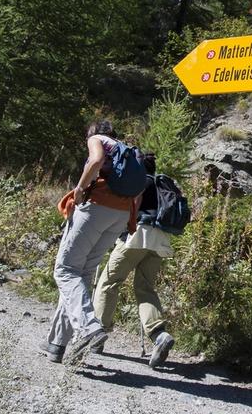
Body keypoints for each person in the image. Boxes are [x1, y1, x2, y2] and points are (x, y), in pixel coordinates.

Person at [39, 120, 142, 365]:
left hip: (95, 209)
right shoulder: (127, 152)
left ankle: (89, 329)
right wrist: (130, 221)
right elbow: (138, 194)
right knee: (82, 274)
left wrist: (79, 188)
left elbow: (95, 160)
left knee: (65, 270)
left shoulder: (99, 140)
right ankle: (57, 343)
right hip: (119, 215)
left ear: (93, 132)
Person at [92, 152, 175, 369]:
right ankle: (159, 334)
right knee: (145, 287)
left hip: (137, 235)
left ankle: (97, 332)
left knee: (109, 282)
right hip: (160, 240)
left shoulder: (140, 182)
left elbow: (134, 206)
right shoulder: (160, 184)